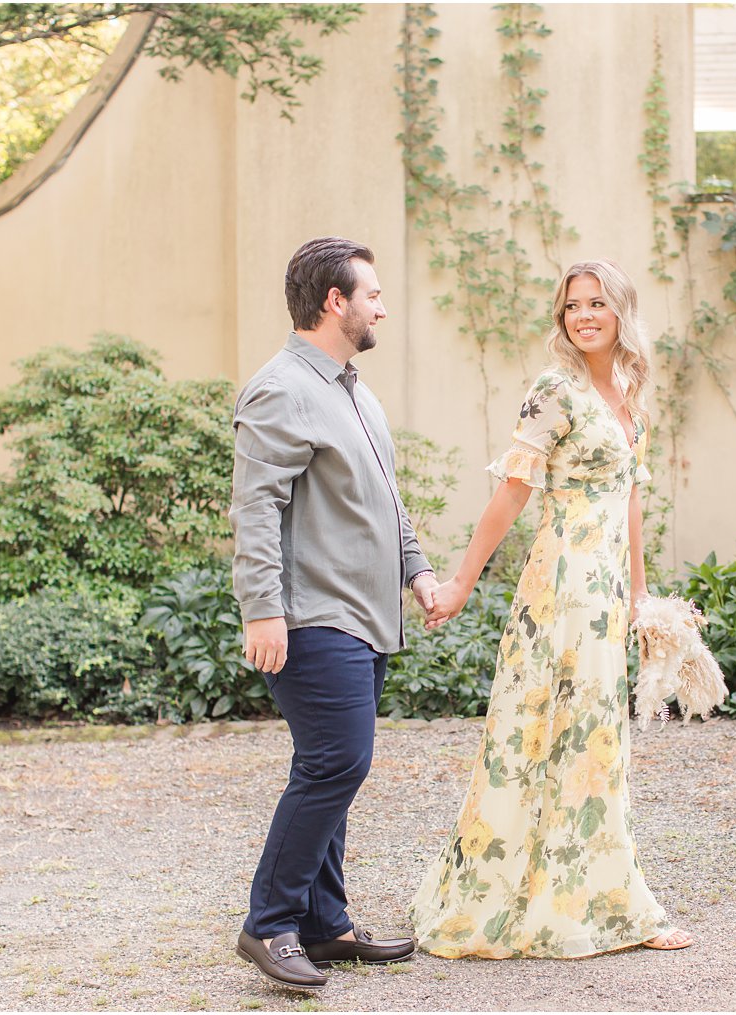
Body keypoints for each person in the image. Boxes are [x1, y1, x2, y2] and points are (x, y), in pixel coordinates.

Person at [408, 259, 693, 958]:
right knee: (543, 733)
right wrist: (461, 583)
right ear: (562, 318)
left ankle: (606, 898)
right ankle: (539, 899)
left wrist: (640, 596)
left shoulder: (626, 389)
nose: (584, 315)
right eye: (573, 306)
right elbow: (512, 491)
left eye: (597, 303)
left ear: (621, 311)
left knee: (597, 742)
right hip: (561, 583)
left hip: (605, 593)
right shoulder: (554, 390)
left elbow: (630, 498)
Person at [230, 236, 439, 992]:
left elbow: (383, 496)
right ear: (334, 301)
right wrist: (262, 610)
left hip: (364, 613)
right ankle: (270, 923)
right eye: (373, 293)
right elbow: (255, 509)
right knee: (336, 762)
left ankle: (325, 923)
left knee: (332, 769)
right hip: (313, 615)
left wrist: (416, 569)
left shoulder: (352, 388)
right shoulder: (280, 388)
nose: (383, 304)